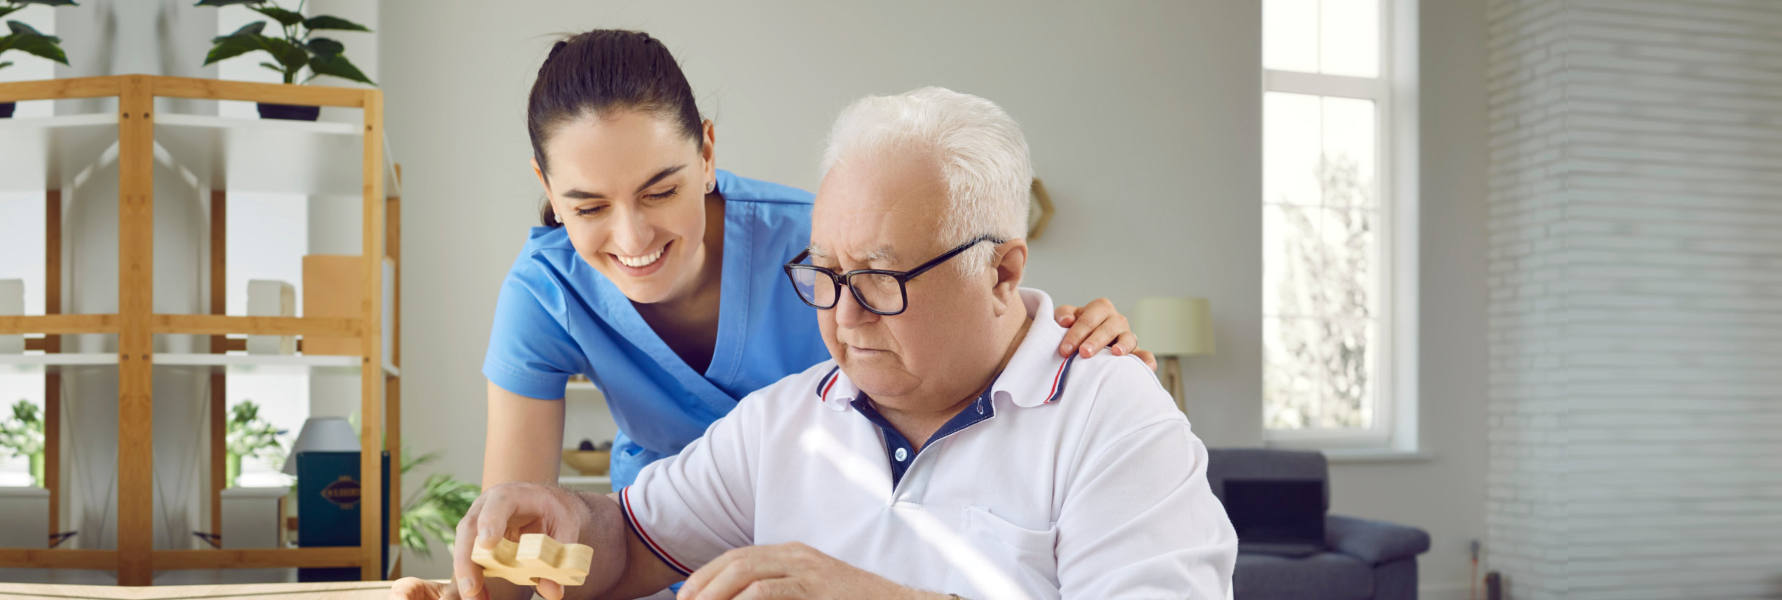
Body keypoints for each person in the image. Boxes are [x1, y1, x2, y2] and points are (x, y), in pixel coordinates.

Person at [398, 86, 1234, 600]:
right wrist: (564, 520)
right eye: (824, 274)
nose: (842, 317)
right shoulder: (789, 419)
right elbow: (629, 544)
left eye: (879, 277)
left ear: (1004, 272)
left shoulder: (1113, 419)